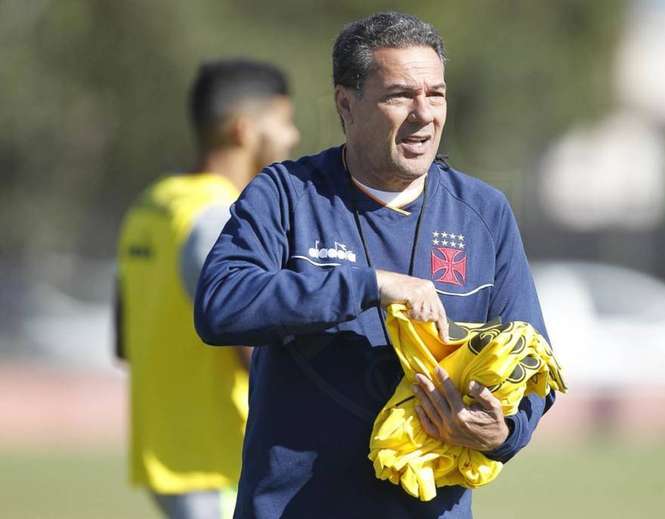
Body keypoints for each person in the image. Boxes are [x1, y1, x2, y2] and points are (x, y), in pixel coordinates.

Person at [195, 12, 556, 519]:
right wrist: (370, 286)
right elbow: (220, 306)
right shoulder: (285, 195)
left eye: (436, 94)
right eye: (399, 95)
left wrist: (503, 433)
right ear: (346, 103)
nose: (423, 113)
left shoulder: (484, 213)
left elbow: (533, 358)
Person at [115, 58, 299, 519]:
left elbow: (123, 343)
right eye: (284, 122)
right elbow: (257, 355)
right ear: (243, 130)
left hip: (170, 461)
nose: (292, 138)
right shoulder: (222, 219)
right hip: (226, 468)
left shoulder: (151, 206)